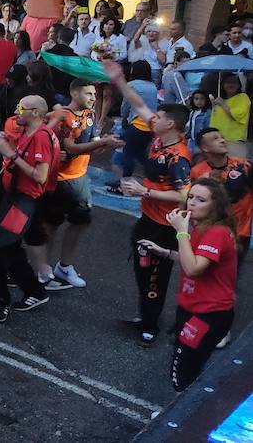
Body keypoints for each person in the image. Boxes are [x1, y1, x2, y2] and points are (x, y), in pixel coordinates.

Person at [104, 59, 194, 346]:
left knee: (155, 272)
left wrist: (145, 191)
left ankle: (151, 325)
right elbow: (138, 103)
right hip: (148, 218)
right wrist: (118, 79)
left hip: (164, 225)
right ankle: (145, 314)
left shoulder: (178, 156)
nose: (154, 115)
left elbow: (184, 195)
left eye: (161, 114)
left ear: (171, 123)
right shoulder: (160, 134)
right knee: (142, 265)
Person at [137, 179, 238, 390]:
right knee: (187, 364)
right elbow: (190, 258)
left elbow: (193, 269)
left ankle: (183, 418)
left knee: (182, 368)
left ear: (215, 206)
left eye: (201, 200)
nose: (192, 203)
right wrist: (164, 252)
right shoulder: (200, 228)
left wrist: (181, 231)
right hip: (192, 308)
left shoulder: (216, 233)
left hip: (208, 313)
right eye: (191, 197)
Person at [36, 81, 123, 290]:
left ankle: (64, 267)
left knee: (81, 221)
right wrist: (102, 143)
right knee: (51, 224)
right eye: (89, 94)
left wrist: (102, 144)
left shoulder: (90, 115)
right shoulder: (64, 116)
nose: (94, 98)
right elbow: (71, 147)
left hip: (81, 177)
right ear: (74, 93)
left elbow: (91, 145)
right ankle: (43, 269)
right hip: (59, 179)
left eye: (94, 94)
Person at [0, 95, 56, 323]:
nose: (16, 112)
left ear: (35, 112)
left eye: (21, 108)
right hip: (13, 197)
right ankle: (35, 291)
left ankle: (1, 302)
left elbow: (40, 176)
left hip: (23, 202)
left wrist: (10, 153)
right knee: (11, 249)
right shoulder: (29, 132)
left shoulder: (41, 137)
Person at [190, 127, 252, 259]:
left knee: (229, 275)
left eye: (222, 137)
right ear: (205, 148)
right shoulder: (197, 172)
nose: (222, 140)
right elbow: (190, 200)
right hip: (208, 230)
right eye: (215, 139)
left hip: (239, 232)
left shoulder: (243, 166)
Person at [210, 74, 250, 158]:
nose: (231, 85)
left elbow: (237, 115)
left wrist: (223, 105)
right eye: (228, 82)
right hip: (218, 141)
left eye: (234, 82)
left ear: (239, 85)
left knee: (235, 170)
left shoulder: (243, 97)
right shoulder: (219, 99)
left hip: (234, 142)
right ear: (223, 85)